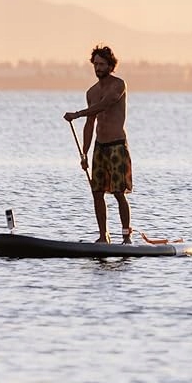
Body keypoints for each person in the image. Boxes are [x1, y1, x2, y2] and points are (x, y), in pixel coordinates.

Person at [64, 45, 132, 244]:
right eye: (95, 64)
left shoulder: (119, 85)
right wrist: (84, 153)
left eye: (102, 64)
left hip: (117, 146)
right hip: (100, 147)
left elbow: (104, 105)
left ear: (110, 66)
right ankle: (103, 236)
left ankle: (126, 237)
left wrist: (77, 114)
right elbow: (90, 123)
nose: (98, 68)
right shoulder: (91, 92)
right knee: (97, 193)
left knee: (119, 193)